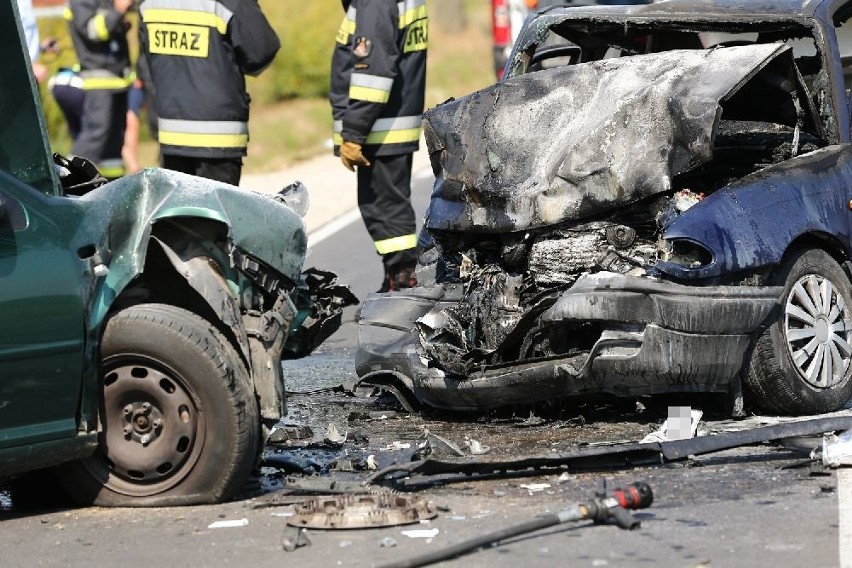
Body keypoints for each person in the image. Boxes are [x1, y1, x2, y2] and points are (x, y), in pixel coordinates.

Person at [329, 0, 428, 292]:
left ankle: (403, 283)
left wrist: (354, 133)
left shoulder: (375, 3)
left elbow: (371, 73)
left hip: (379, 127)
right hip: (392, 122)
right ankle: (399, 279)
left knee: (386, 210)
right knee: (389, 207)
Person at [138, 0, 280, 186]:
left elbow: (146, 62)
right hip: (218, 134)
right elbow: (261, 51)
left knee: (179, 211)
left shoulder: (149, 3)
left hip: (171, 132)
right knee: (215, 213)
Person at [65, 0, 133, 180]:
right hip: (99, 81)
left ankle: (114, 187)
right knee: (96, 134)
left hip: (118, 78)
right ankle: (69, 181)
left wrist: (119, 20)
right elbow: (91, 30)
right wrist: (117, 12)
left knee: (113, 145)